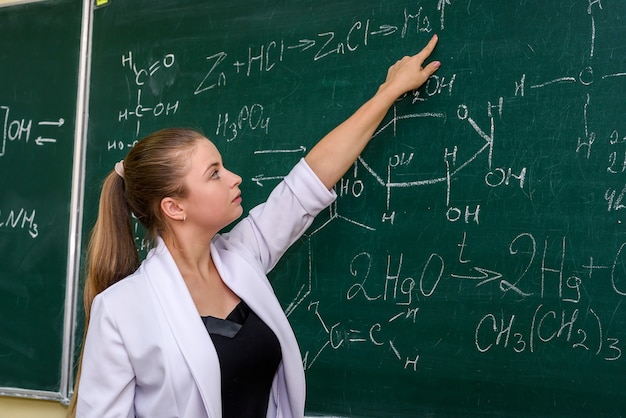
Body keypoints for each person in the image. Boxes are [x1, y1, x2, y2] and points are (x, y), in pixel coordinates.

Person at [69, 35, 441, 418]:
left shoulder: (241, 257)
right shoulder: (122, 309)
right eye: (214, 174)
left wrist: (389, 92)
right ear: (174, 207)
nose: (234, 178)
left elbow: (308, 182)